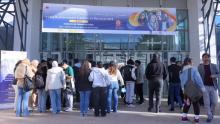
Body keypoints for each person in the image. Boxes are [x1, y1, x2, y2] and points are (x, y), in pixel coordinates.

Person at [180, 57, 205, 123]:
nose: (192, 63)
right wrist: (202, 87)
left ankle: (184, 117)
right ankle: (196, 118)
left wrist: (183, 89)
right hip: (193, 88)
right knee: (195, 103)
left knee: (187, 103)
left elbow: (181, 81)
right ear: (188, 62)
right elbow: (198, 79)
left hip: (185, 89)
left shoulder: (181, 70)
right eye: (192, 62)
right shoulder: (193, 69)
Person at [198, 53, 220, 122]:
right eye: (204, 57)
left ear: (209, 58)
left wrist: (214, 76)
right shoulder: (200, 66)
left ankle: (211, 114)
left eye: (207, 57)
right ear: (202, 58)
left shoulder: (214, 66)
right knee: (206, 103)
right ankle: (209, 116)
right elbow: (198, 76)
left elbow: (219, 74)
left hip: (213, 86)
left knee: (214, 102)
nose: (206, 58)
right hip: (205, 87)